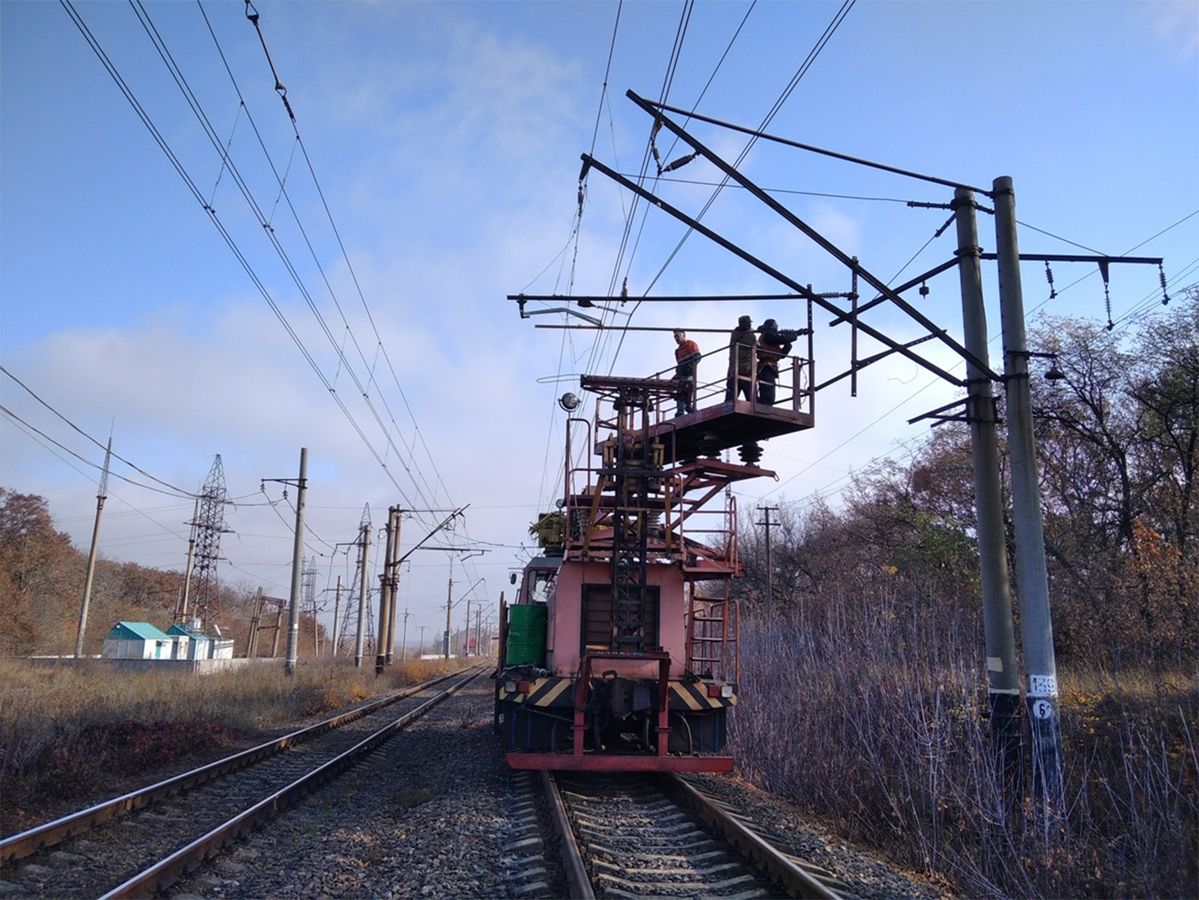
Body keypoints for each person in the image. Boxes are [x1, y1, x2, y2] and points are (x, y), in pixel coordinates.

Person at [756, 318, 793, 405]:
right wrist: (789, 337)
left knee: (769, 396)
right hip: (766, 368)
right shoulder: (767, 336)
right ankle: (762, 407)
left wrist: (788, 343)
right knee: (768, 396)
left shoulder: (770, 338)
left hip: (770, 368)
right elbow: (780, 339)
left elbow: (782, 354)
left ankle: (762, 405)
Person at [725, 315, 756, 402]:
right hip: (745, 371)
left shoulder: (735, 334)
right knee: (752, 400)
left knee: (730, 399)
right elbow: (754, 343)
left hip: (733, 370)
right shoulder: (750, 336)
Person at [672, 329, 701, 416]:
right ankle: (686, 408)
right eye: (675, 337)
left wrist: (689, 368)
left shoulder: (690, 344)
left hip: (689, 373)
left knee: (683, 389)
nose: (676, 338)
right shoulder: (678, 351)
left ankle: (683, 410)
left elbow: (697, 357)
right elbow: (679, 364)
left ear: (683, 335)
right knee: (677, 388)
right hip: (681, 373)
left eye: (678, 336)